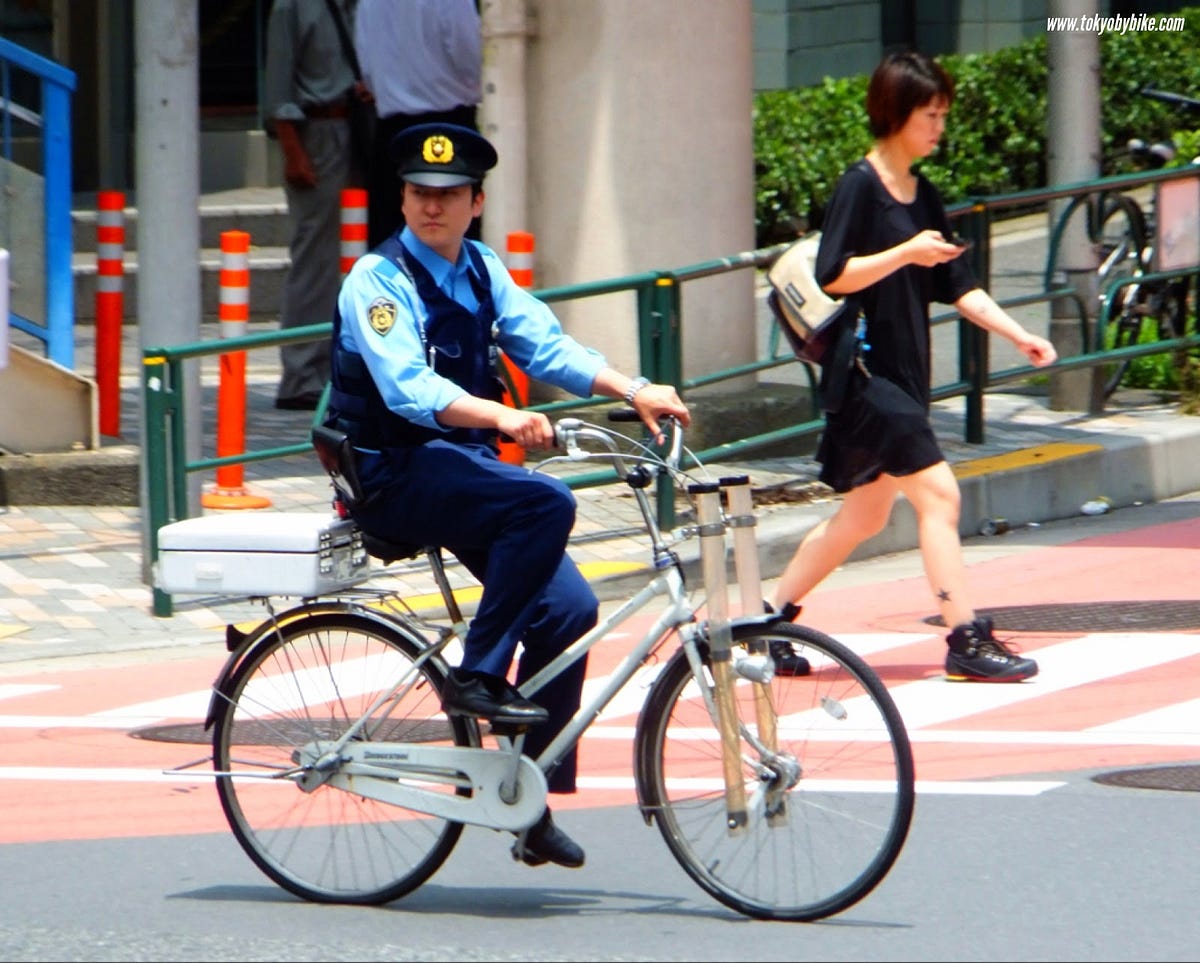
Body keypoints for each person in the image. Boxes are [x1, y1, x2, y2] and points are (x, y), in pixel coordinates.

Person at [324, 122, 691, 867]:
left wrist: (635, 388)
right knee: (545, 502)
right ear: (402, 198)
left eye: (449, 194)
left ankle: (526, 797)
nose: (432, 206)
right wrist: (502, 416)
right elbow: (408, 386)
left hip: (453, 469)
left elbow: (545, 345)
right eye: (419, 193)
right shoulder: (377, 279)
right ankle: (479, 676)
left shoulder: (482, 268)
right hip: (391, 472)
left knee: (570, 610)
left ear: (477, 202)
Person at [769, 50, 1058, 683]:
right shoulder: (859, 185)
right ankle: (965, 639)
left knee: (864, 516)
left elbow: (958, 283)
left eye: (943, 115)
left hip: (905, 376)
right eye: (931, 115)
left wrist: (1019, 335)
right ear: (897, 113)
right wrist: (905, 252)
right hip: (865, 376)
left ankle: (765, 623)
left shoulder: (922, 193)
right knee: (940, 495)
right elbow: (834, 275)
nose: (939, 128)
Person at [264, 0, 366, 411]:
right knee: (315, 256)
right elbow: (277, 88)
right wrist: (294, 151)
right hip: (316, 130)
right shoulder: (292, 7)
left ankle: (350, 365)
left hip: (359, 124)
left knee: (366, 253)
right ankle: (302, 374)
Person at [353, 0, 484, 248]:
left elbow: (367, 69)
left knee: (390, 239)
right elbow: (471, 56)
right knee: (455, 238)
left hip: (392, 129)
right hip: (449, 123)